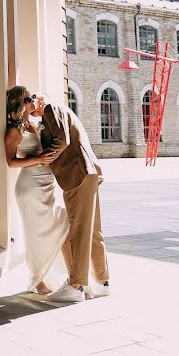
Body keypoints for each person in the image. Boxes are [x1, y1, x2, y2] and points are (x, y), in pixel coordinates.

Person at [33, 93, 110, 302]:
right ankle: (102, 282)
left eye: (31, 98)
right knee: (92, 229)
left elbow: (62, 140)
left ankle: (76, 286)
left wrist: (45, 159)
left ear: (41, 99)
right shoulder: (55, 113)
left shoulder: (51, 108)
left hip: (78, 174)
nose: (29, 104)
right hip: (88, 173)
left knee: (79, 230)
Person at [4, 86, 72, 295]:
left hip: (47, 186)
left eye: (32, 96)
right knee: (34, 235)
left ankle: (73, 278)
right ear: (19, 104)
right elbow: (11, 162)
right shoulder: (14, 131)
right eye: (27, 98)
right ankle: (37, 280)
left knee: (63, 226)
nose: (32, 99)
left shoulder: (35, 124)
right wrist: (38, 160)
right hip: (30, 188)